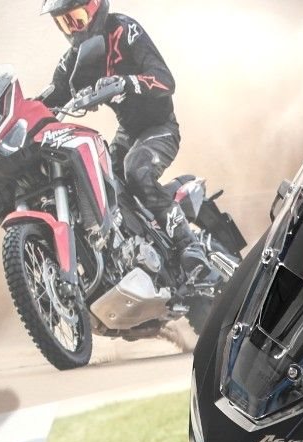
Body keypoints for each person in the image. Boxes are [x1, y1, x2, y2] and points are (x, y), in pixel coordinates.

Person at [37, 0, 211, 282]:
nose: (73, 29)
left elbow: (166, 81)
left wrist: (126, 83)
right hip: (127, 134)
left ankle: (190, 246)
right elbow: (50, 100)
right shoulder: (74, 60)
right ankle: (134, 256)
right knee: (101, 183)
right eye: (64, 22)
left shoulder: (124, 29)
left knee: (136, 170)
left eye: (77, 18)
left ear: (95, 7)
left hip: (161, 127)